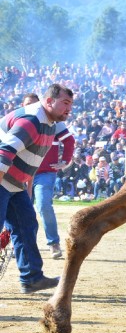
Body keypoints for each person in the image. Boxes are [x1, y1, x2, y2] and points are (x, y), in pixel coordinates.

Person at [1, 83, 74, 293]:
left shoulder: (50, 122)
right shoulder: (32, 120)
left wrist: (27, 189)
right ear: (49, 101)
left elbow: (32, 160)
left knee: (26, 225)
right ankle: (31, 277)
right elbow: (4, 152)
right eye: (65, 103)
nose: (69, 109)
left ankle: (32, 278)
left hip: (14, 182)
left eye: (71, 104)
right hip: (2, 178)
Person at [21, 94, 75, 260]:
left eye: (33, 104)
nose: (31, 107)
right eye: (27, 105)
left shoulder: (54, 124)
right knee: (20, 210)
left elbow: (70, 141)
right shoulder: (20, 122)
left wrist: (64, 161)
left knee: (44, 205)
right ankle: (21, 245)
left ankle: (53, 243)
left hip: (44, 174)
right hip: (23, 174)